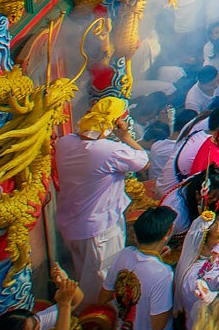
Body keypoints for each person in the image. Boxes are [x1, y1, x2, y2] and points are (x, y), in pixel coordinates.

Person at [54, 96, 150, 301]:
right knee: (102, 283)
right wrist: (124, 136)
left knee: (82, 275)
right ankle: (98, 323)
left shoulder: (64, 143)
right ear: (114, 123)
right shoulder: (110, 151)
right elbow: (145, 162)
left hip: (70, 225)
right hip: (99, 231)